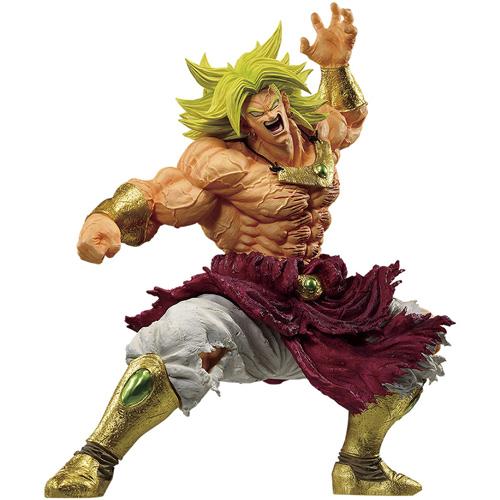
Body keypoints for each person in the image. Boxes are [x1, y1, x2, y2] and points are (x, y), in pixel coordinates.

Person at [45, 3, 452, 497]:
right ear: (243, 124)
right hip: (245, 300)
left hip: (315, 296)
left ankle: (359, 467)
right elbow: (161, 194)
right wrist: (105, 220)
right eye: (254, 113)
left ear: (284, 100)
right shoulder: (226, 167)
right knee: (179, 336)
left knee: (411, 331)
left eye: (273, 103)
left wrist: (335, 67)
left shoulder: (318, 139)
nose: (270, 115)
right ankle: (93, 460)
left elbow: (349, 117)